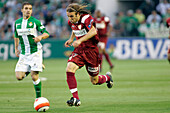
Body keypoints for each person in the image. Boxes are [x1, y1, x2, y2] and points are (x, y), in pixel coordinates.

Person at [65, 3, 113, 107]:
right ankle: (76, 98)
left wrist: (80, 40)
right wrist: (71, 39)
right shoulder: (71, 21)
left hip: (91, 51)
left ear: (78, 14)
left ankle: (107, 78)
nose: (70, 18)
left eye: (72, 16)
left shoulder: (86, 18)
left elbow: (93, 31)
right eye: (68, 16)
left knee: (94, 81)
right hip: (79, 50)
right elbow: (74, 28)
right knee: (69, 69)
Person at [14, 2, 49, 99]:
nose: (28, 10)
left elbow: (46, 33)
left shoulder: (35, 22)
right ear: (22, 10)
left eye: (30, 8)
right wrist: (16, 48)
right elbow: (16, 36)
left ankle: (38, 98)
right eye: (26, 8)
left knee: (34, 77)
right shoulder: (17, 23)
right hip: (24, 53)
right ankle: (34, 67)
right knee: (19, 77)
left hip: (35, 52)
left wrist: (40, 37)